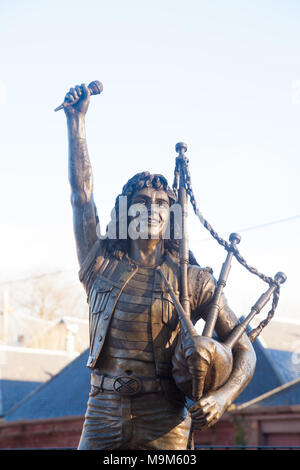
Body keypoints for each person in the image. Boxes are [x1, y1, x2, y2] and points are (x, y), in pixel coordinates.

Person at [63, 83, 256, 450]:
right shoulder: (100, 262)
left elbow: (244, 350)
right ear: (126, 211)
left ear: (171, 216)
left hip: (165, 416)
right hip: (102, 410)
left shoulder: (193, 280)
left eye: (161, 203)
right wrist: (77, 123)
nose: (152, 208)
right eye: (142, 201)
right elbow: (81, 196)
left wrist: (222, 397)